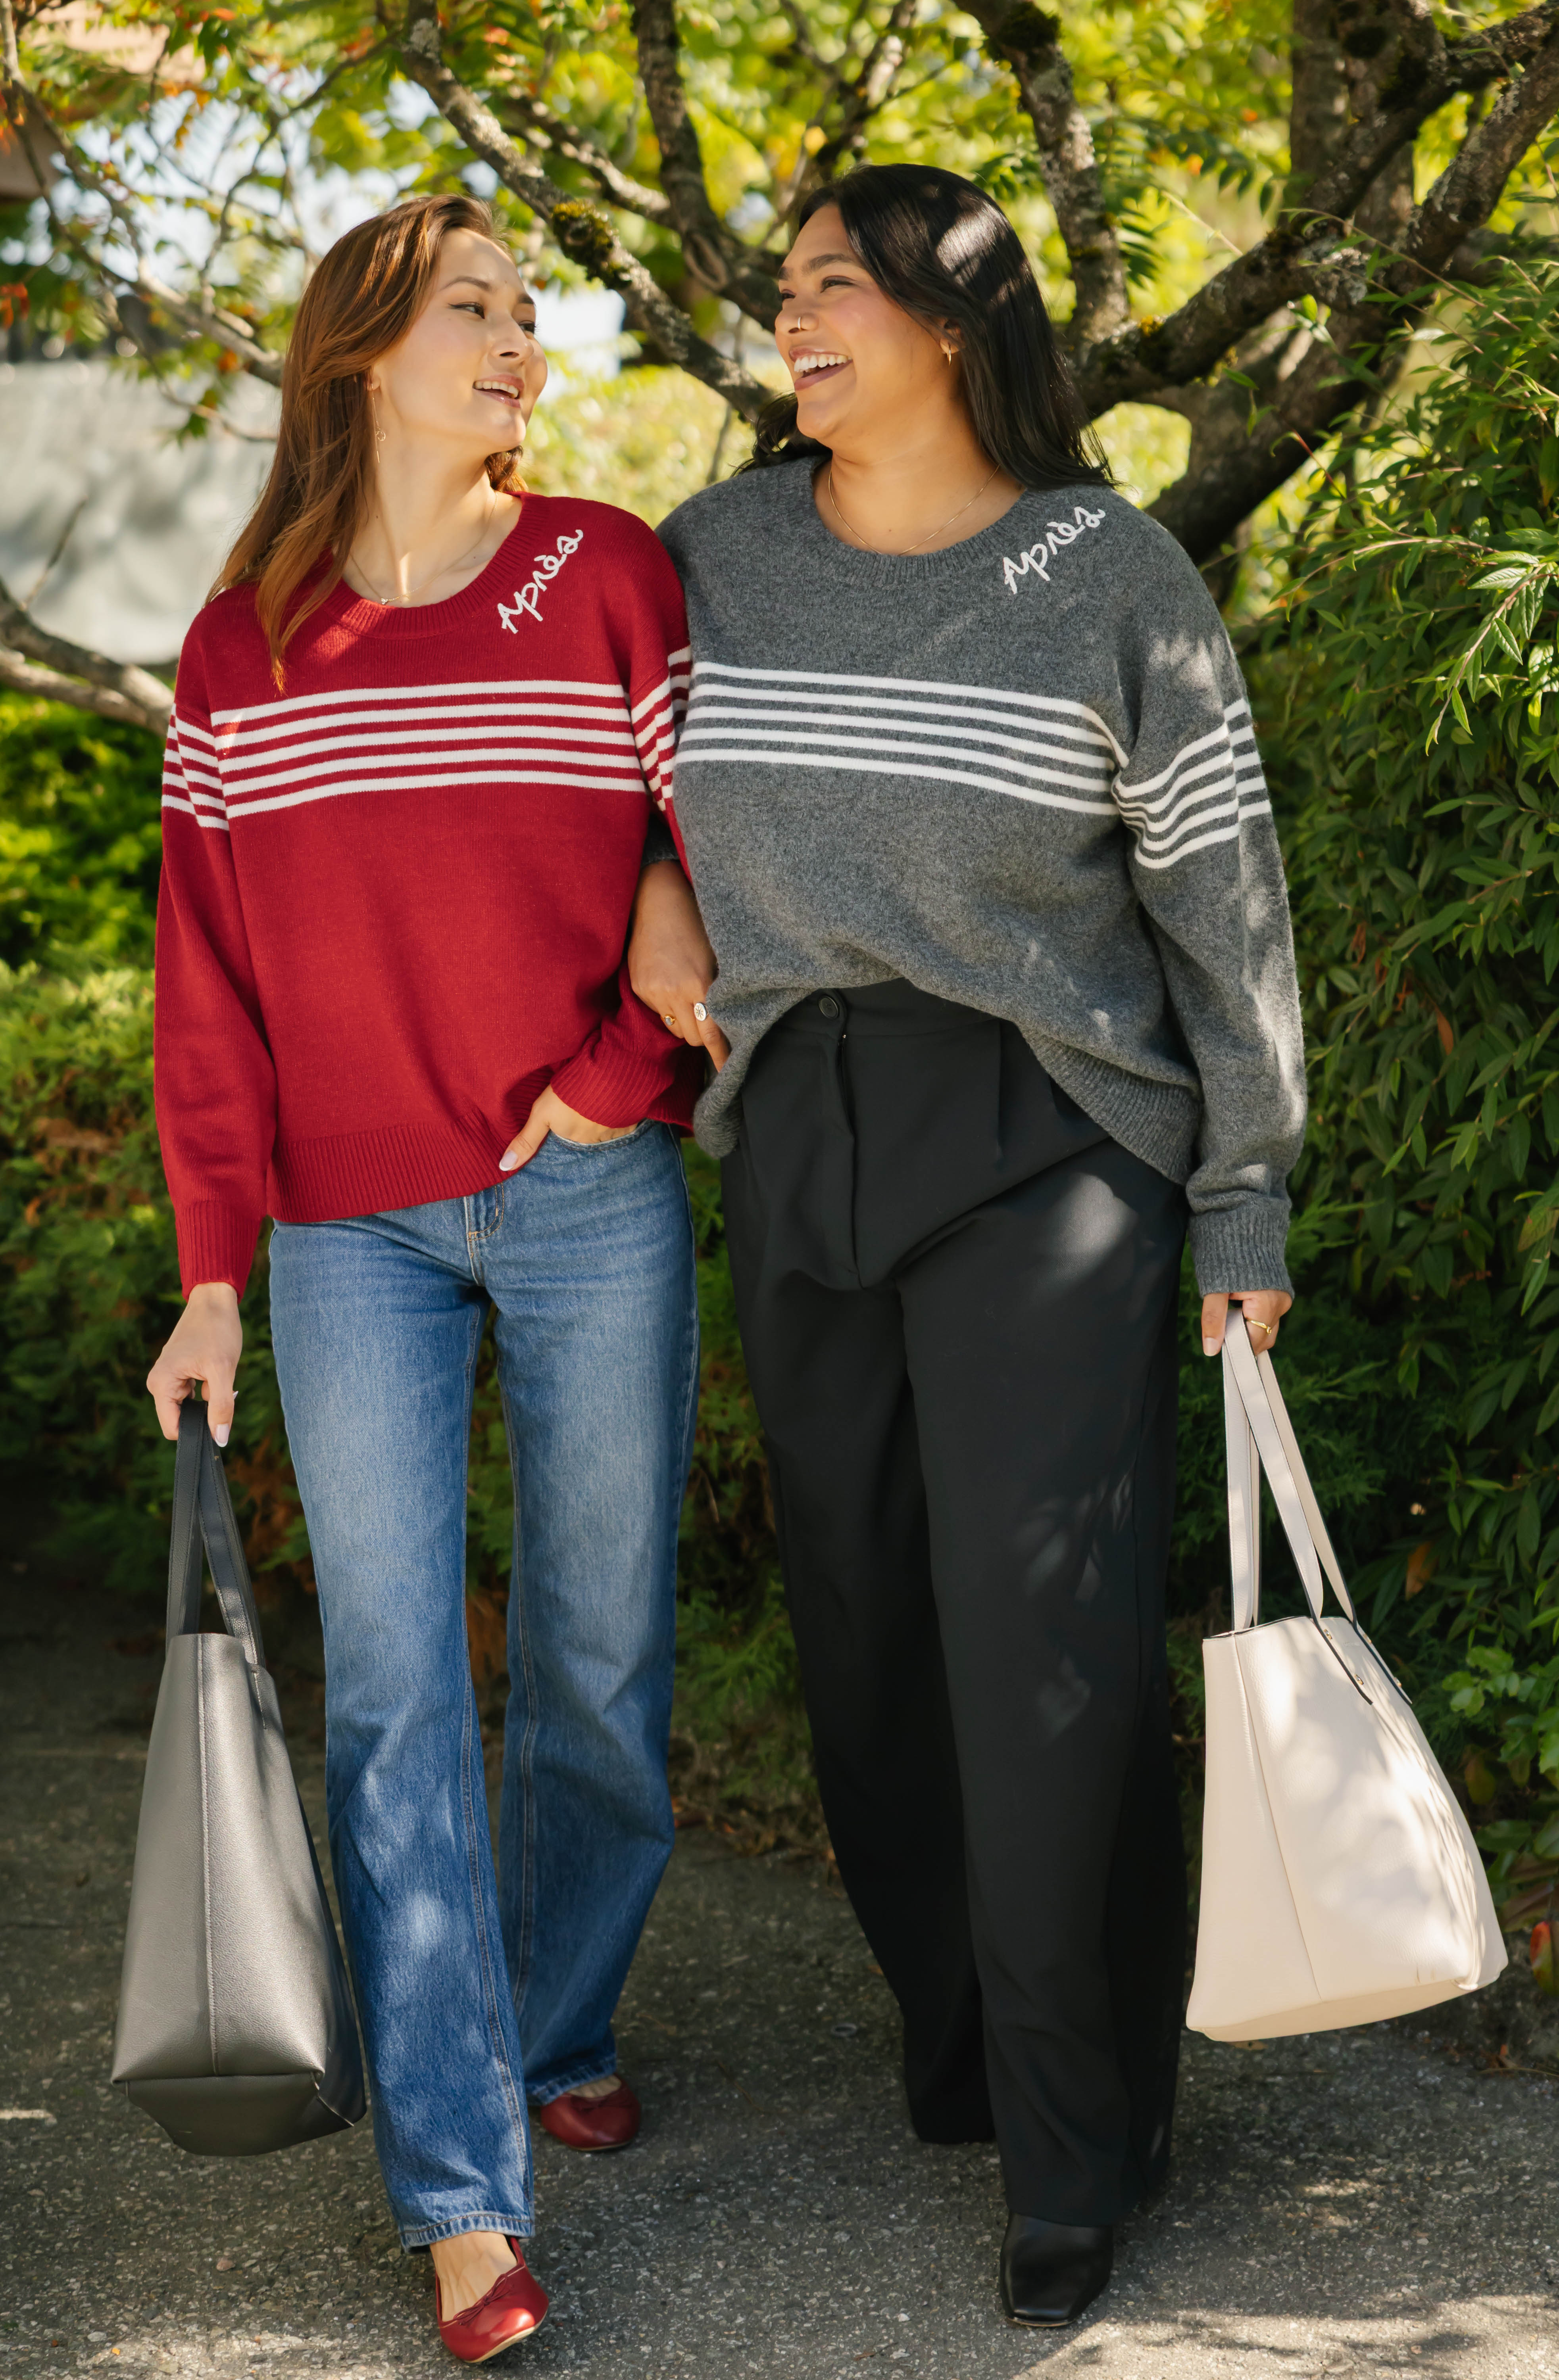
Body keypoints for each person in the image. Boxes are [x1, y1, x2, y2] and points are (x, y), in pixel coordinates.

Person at [630, 162, 1306, 2329]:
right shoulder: (710, 556)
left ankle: (1074, 2140)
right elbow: (604, 796)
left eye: (834, 286)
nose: (789, 319)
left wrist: (1246, 1192)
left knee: (1041, 1650)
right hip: (800, 1123)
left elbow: (1226, 906)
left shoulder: (1101, 572)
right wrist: (663, 932)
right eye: (787, 288)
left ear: (953, 316)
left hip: (1052, 1142)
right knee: (867, 1640)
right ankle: (970, 2047)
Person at [144, 192, 701, 2366]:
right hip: (338, 1230)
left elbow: (716, 857)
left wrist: (616, 1079)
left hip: (587, 1193)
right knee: (390, 1689)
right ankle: (465, 2193)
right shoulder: (236, 650)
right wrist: (210, 1275)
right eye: (479, 310)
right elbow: (208, 1000)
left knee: (600, 1653)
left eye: (528, 317)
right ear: (366, 342)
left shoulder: (605, 574)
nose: (519, 346)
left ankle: (557, 2009)